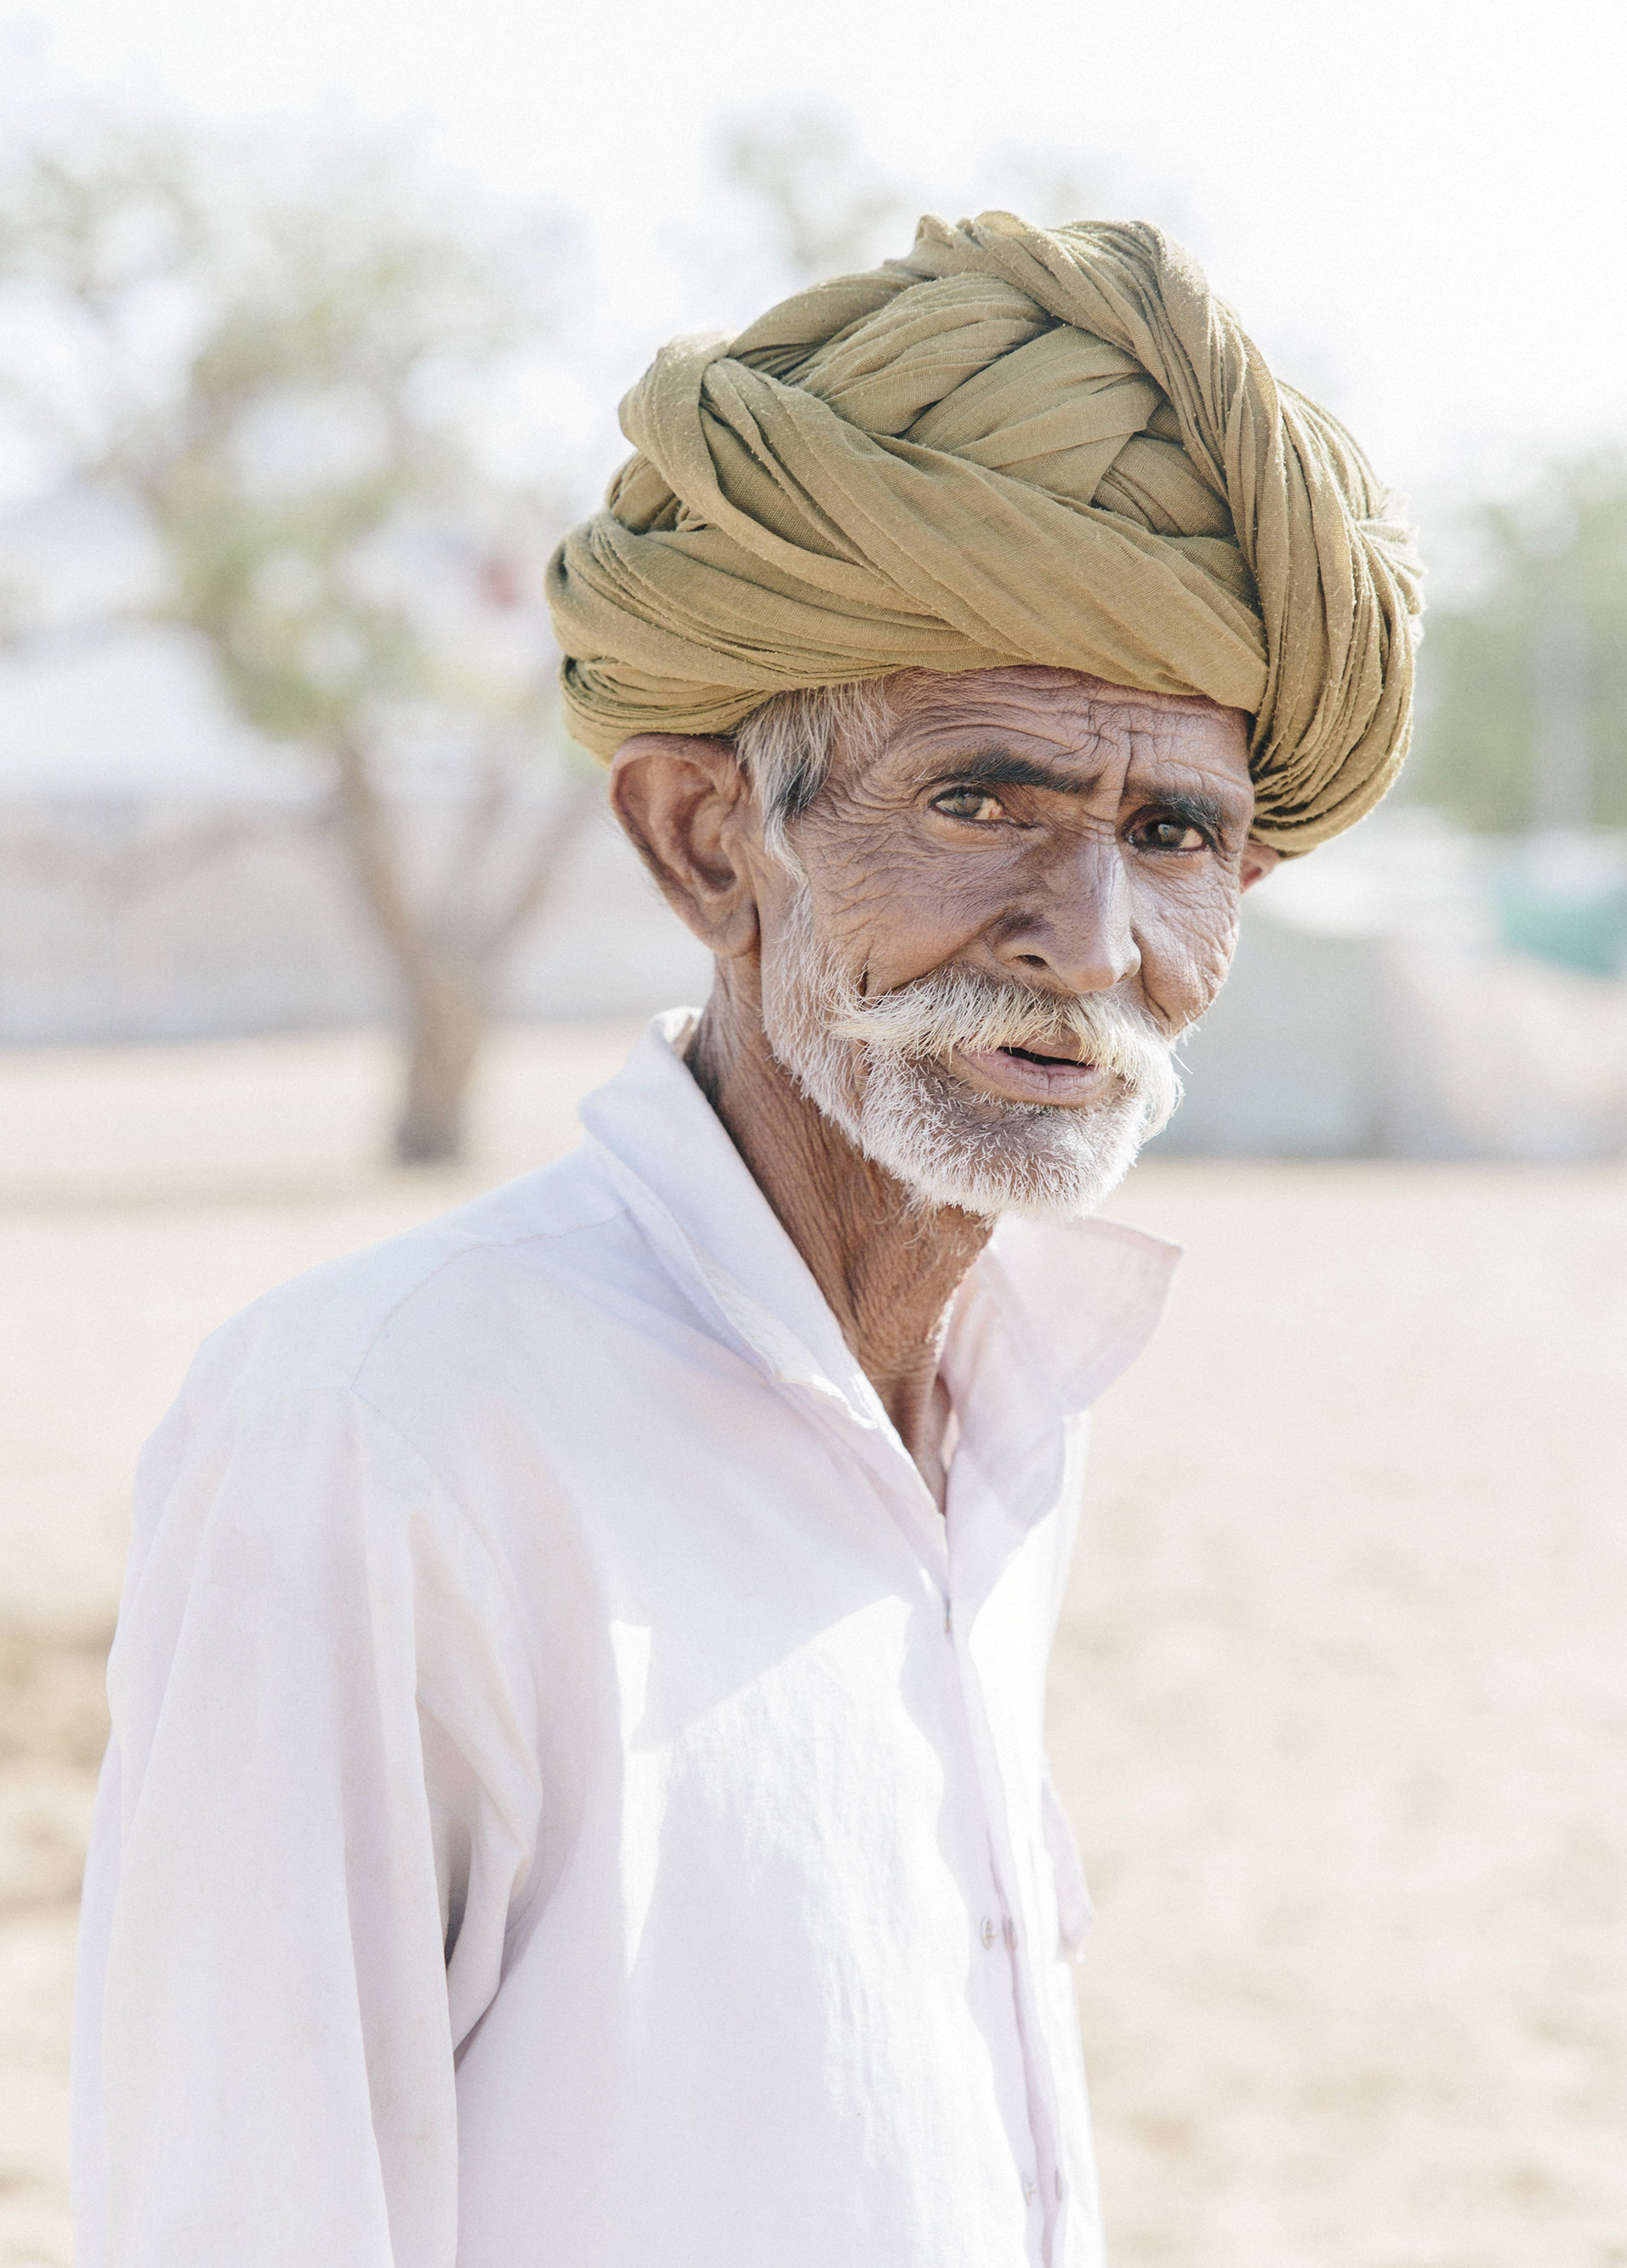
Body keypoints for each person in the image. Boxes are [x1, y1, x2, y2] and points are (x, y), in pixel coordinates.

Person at [71, 214, 1421, 2267]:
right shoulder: (387, 1431)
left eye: (1176, 836)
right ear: (709, 841)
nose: (1095, 942)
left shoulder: (1006, 1409)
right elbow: (244, 2202)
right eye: (984, 800)